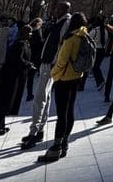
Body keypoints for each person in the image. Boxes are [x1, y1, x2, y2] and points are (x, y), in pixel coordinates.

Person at [37, 12, 88, 163]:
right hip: (76, 76)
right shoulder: (84, 36)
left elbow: (61, 60)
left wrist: (53, 73)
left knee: (61, 114)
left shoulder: (70, 38)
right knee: (70, 111)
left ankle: (56, 148)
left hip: (64, 78)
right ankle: (65, 143)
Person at [21, 2, 71, 150]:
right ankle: (40, 130)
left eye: (57, 8)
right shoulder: (59, 22)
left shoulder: (65, 23)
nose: (55, 10)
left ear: (64, 10)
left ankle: (34, 132)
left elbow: (61, 44)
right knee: (45, 98)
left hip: (51, 64)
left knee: (39, 98)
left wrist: (55, 62)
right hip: (47, 62)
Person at [0, 24, 32, 135]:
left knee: (6, 103)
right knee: (3, 103)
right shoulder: (19, 44)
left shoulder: (23, 43)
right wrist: (28, 64)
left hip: (12, 77)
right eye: (29, 32)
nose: (31, 34)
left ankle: (0, 126)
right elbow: (18, 59)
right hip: (9, 78)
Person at [25, 18, 44, 102]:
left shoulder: (28, 30)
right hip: (35, 57)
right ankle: (29, 94)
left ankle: (28, 93)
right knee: (31, 77)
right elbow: (40, 44)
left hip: (27, 55)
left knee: (27, 76)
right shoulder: (37, 32)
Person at [87, 16, 107, 91]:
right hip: (102, 49)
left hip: (96, 49)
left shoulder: (94, 30)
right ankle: (100, 81)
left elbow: (88, 38)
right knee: (97, 66)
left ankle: (100, 81)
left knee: (95, 67)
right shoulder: (104, 31)